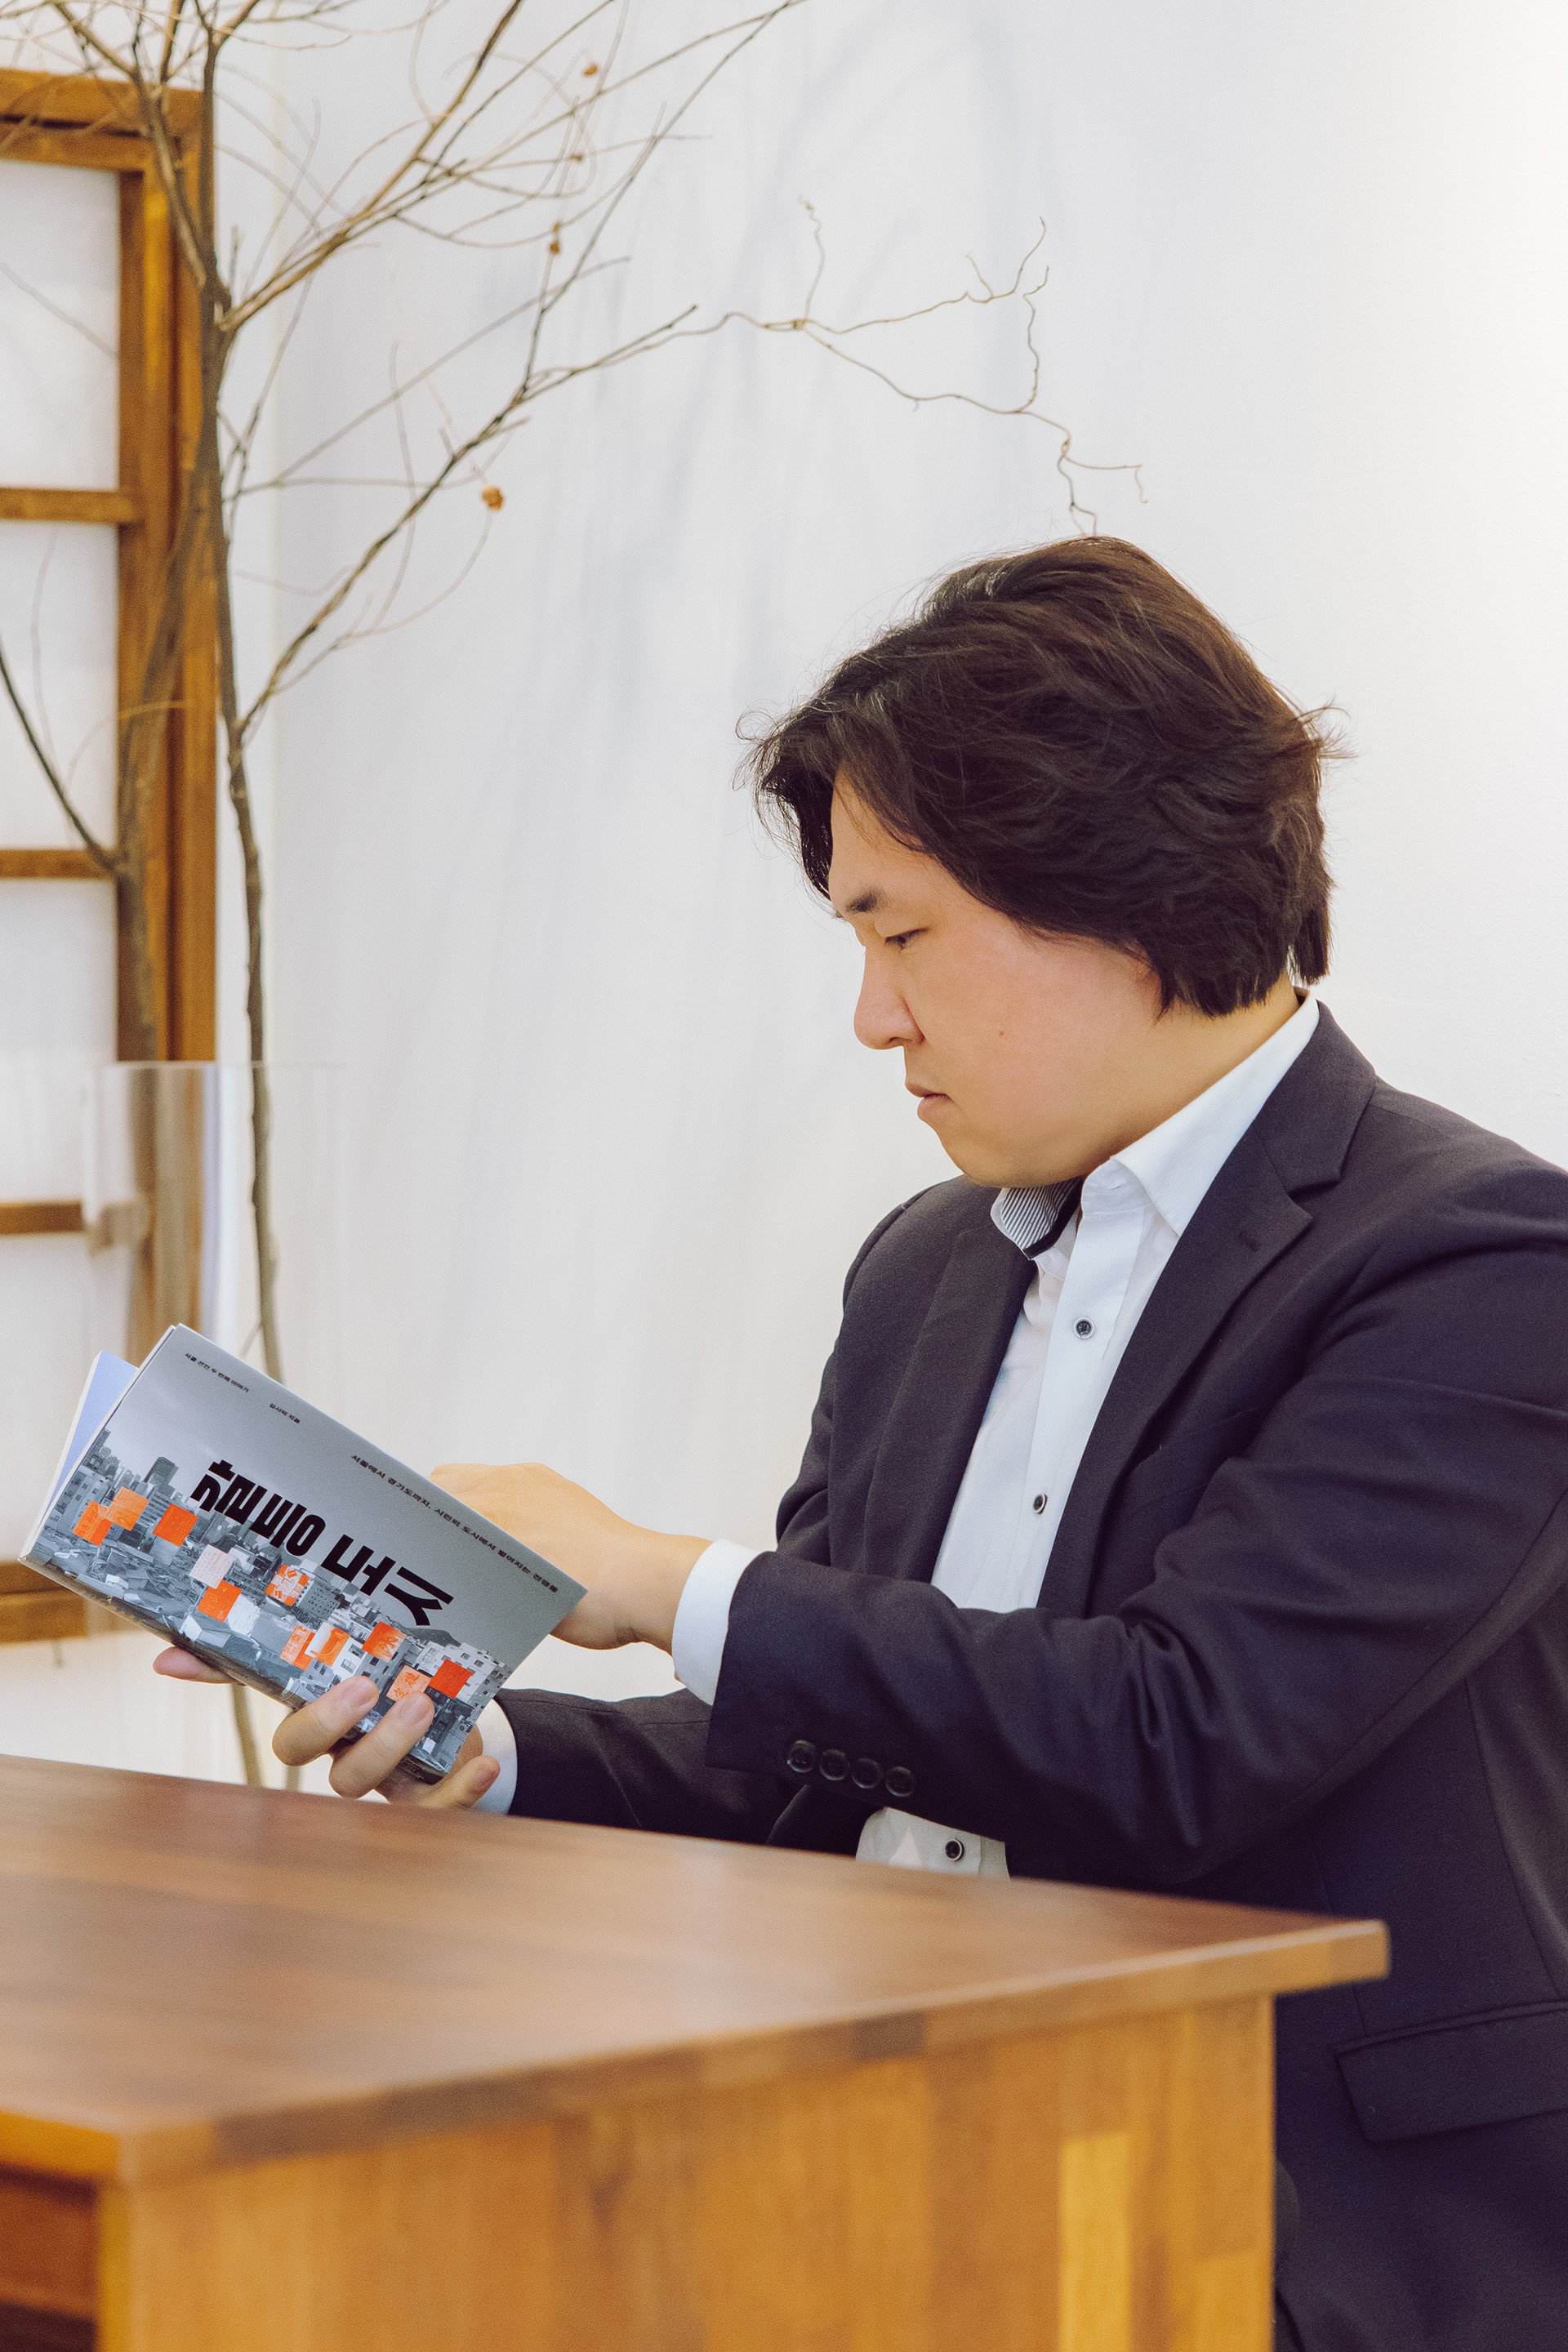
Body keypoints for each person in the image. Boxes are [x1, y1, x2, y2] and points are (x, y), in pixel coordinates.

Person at [158, 540, 1568, 2351]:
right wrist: (486, 1751)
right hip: (899, 2153)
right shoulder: (924, 1266)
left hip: (1295, 2224)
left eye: (903, 935)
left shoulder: (1478, 1263)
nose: (872, 1015)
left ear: (1125, 895)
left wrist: (659, 1580)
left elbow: (1176, 1737)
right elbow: (834, 1756)